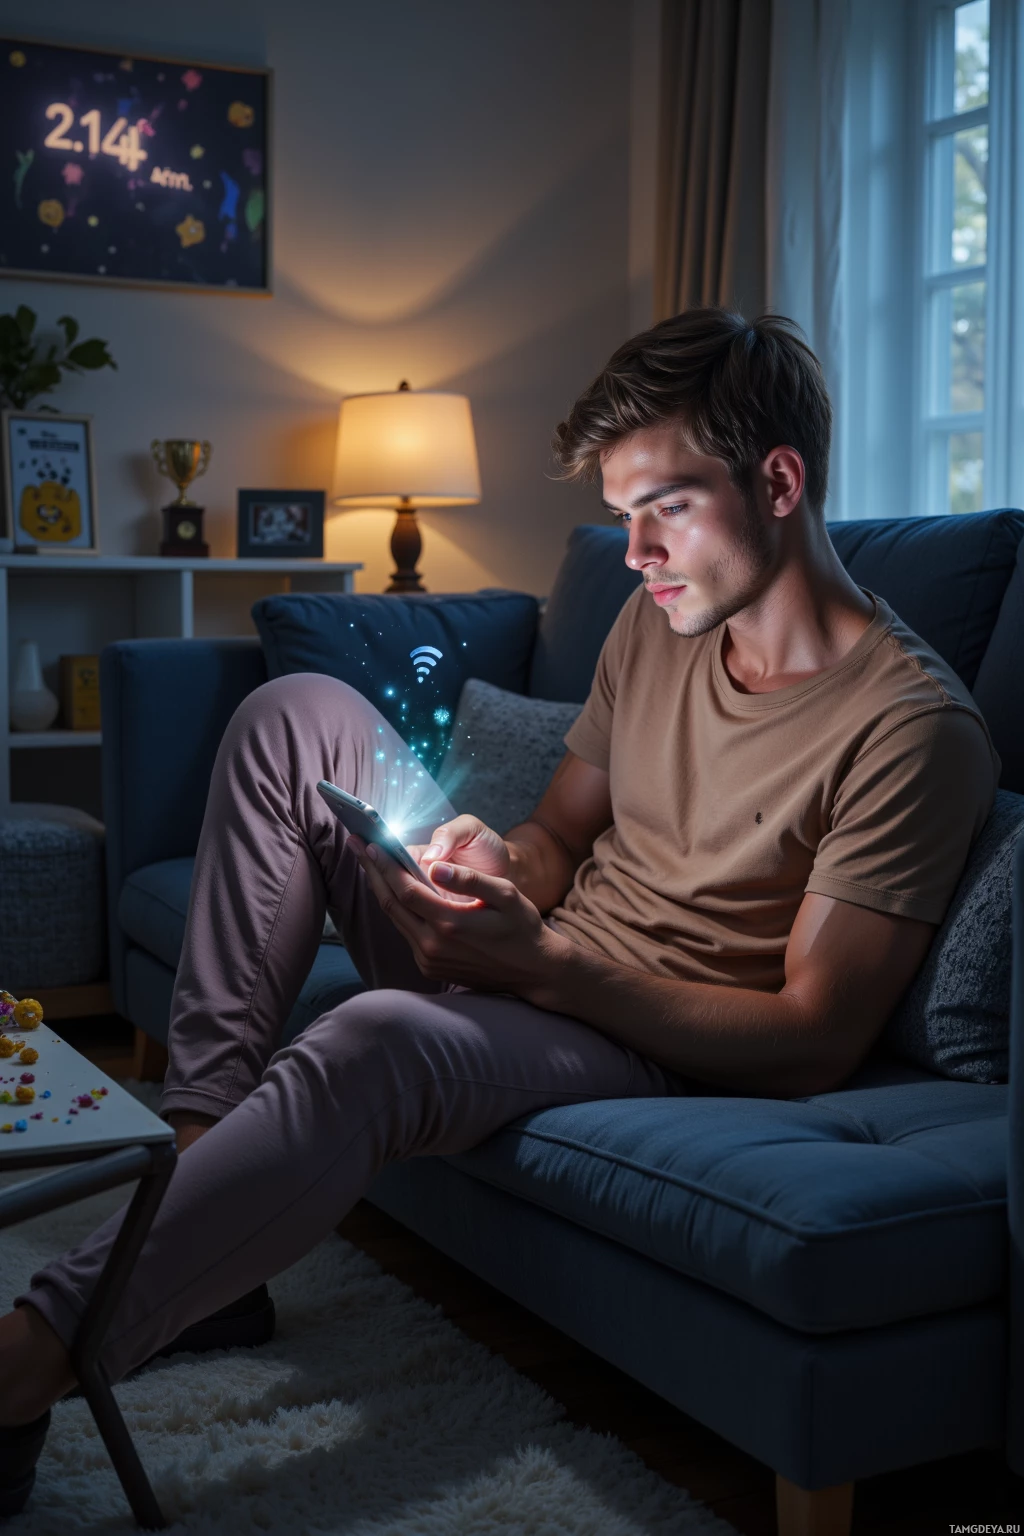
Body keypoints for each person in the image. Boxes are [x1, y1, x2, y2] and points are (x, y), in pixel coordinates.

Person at [0, 308, 1000, 1513]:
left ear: (778, 480)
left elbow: (813, 1035)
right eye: (622, 513)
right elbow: (561, 835)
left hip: (634, 1037)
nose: (633, 552)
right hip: (538, 957)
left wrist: (546, 969)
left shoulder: (911, 731)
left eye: (665, 508)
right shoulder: (661, 619)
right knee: (294, 714)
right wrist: (497, 865)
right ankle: (209, 1181)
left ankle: (28, 1359)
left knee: (370, 1040)